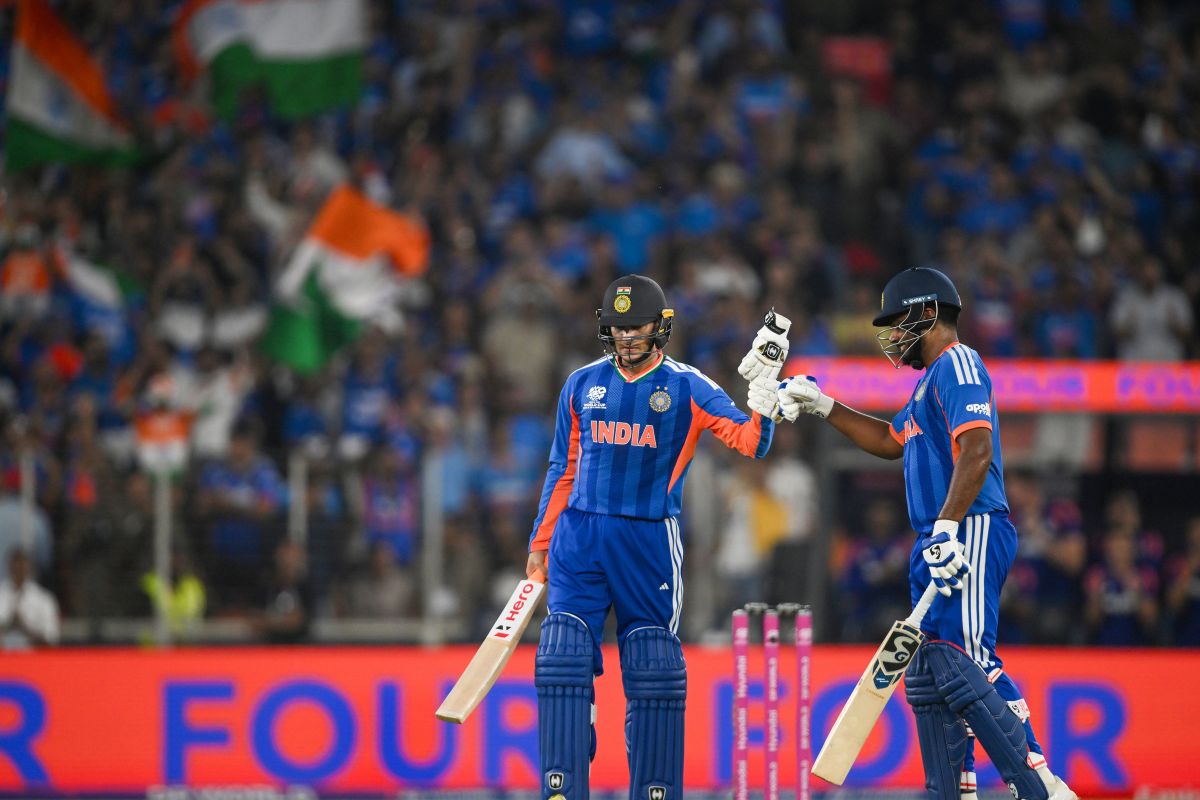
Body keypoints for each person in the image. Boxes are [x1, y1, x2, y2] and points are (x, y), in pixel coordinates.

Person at [775, 267, 1075, 800]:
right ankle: (954, 790)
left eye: (898, 322)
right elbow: (890, 441)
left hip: (969, 527)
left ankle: (1043, 784)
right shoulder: (926, 385)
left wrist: (947, 528)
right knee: (932, 673)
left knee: (967, 661)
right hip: (937, 537)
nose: (892, 336)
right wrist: (824, 405)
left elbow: (977, 449)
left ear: (929, 314)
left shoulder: (958, 363)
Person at [525, 274, 778, 800]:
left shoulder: (689, 386)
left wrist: (765, 400)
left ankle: (655, 790)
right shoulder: (581, 383)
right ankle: (561, 786)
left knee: (653, 665)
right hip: (579, 538)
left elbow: (750, 443)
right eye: (617, 328)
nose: (625, 337)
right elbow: (562, 469)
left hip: (647, 544)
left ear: (660, 327)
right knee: (562, 654)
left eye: (635, 327)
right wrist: (540, 545)